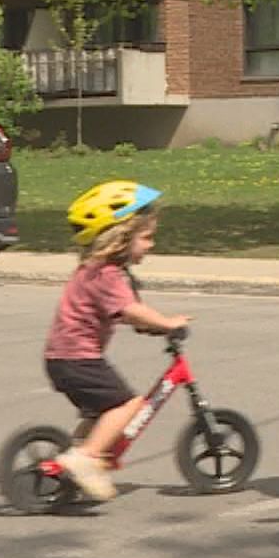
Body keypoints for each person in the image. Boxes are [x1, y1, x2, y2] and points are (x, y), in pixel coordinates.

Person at [44, 180, 192, 501]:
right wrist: (167, 323)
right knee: (127, 405)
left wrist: (149, 326)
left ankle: (72, 461)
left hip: (65, 358)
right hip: (77, 359)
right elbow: (130, 309)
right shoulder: (106, 275)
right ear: (121, 237)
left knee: (101, 414)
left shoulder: (95, 270)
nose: (151, 245)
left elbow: (123, 314)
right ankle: (85, 459)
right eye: (146, 237)